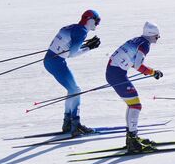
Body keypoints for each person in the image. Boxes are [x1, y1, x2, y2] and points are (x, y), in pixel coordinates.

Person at [105, 21, 164, 154]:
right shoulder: (145, 45)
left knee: (133, 104)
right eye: (157, 36)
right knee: (135, 105)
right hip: (116, 74)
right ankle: (132, 141)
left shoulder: (137, 40)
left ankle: (132, 137)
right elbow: (138, 65)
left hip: (114, 72)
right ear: (152, 35)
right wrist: (153, 72)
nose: (157, 39)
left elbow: (131, 60)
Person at [43, 9, 102, 136]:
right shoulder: (81, 32)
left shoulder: (73, 27)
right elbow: (72, 54)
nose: (97, 25)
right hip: (56, 62)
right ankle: (75, 125)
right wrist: (89, 48)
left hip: (51, 59)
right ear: (89, 20)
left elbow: (68, 46)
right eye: (96, 21)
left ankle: (68, 123)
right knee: (76, 90)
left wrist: (85, 45)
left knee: (72, 90)